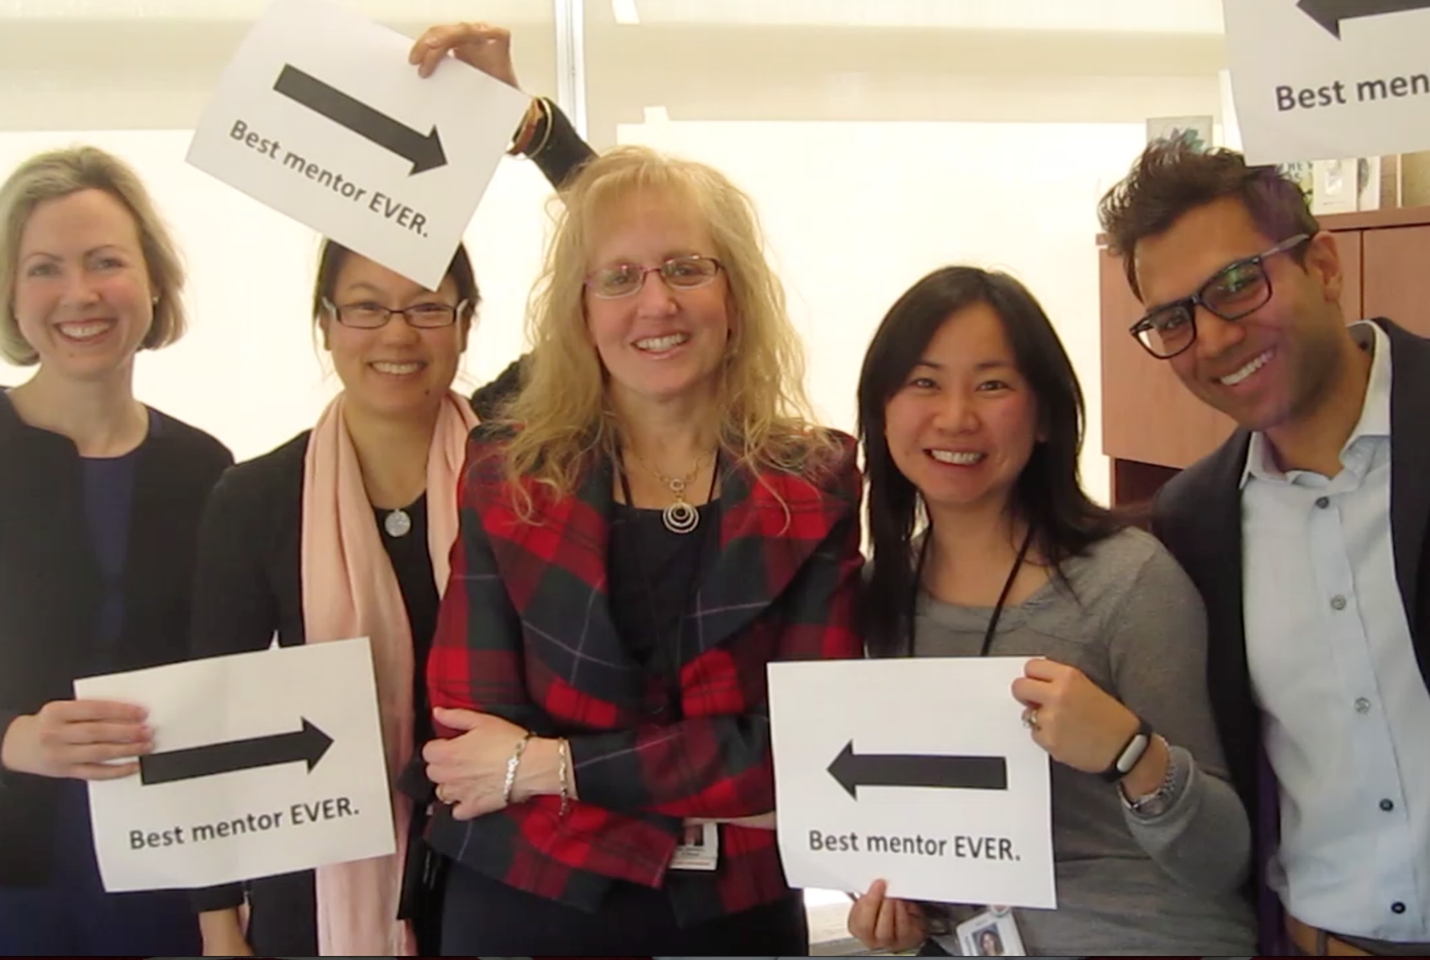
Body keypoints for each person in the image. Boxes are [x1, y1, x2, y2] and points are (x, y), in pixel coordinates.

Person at [186, 21, 595, 958]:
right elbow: (213, 724)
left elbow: (622, 260)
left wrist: (531, 127)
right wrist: (219, 929)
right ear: (326, 325)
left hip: (508, 870)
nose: (396, 335)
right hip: (320, 891)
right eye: (366, 307)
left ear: (464, 324)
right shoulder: (253, 498)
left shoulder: (517, 452)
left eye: (425, 307)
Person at [422, 144, 864, 956]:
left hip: (733, 912)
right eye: (618, 278)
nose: (655, 303)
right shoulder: (506, 474)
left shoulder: (817, 482)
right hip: (530, 895)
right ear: (581, 311)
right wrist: (705, 772)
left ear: (735, 293)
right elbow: (469, 739)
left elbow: (805, 752)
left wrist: (552, 765)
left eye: (686, 268)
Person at [844, 267, 1256, 956]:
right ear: (881, 410)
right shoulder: (878, 595)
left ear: (1042, 417)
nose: (956, 416)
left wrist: (1131, 752)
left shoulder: (1129, 581)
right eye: (924, 382)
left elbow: (1224, 860)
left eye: (992, 384)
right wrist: (901, 916)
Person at [1098, 141, 1430, 957]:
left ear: (1322, 265)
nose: (1212, 339)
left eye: (1238, 284)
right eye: (1174, 319)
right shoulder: (1191, 521)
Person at [0, 145, 233, 955]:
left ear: (153, 281)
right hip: (14, 883)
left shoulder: (207, 471)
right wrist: (11, 738)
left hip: (165, 884)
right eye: (44, 268)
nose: (80, 294)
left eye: (106, 262)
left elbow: (222, 685)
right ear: (12, 296)